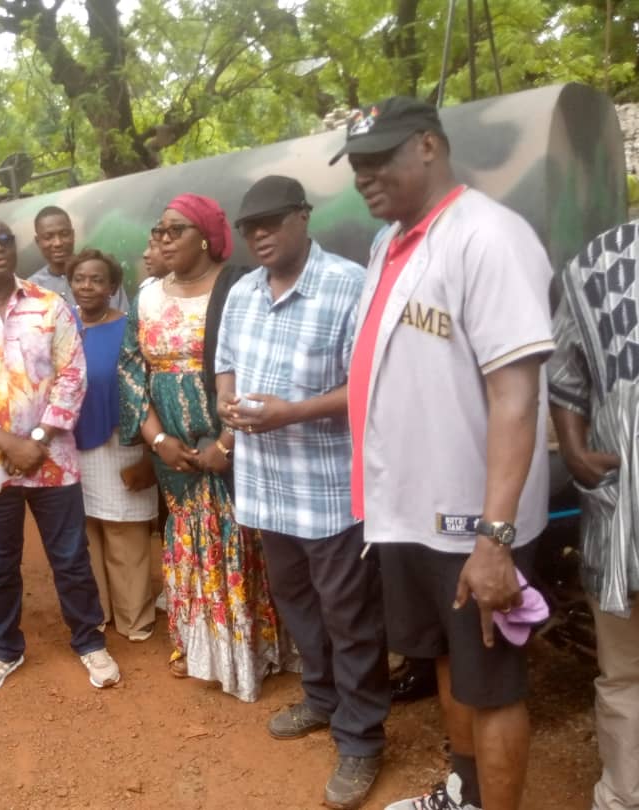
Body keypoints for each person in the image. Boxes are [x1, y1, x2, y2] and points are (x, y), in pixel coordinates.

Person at [333, 97, 554, 810]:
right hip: (406, 509)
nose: (364, 177)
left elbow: (516, 397)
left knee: (493, 685)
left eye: (379, 160)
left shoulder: (489, 235)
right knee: (446, 660)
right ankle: (463, 794)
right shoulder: (389, 243)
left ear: (428, 146)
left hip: (472, 518)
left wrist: (495, 538)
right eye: (357, 164)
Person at [215, 175, 386, 809]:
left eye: (271, 222)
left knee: (349, 615)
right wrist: (226, 404)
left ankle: (362, 738)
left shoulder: (348, 285)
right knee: (296, 601)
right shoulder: (242, 292)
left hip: (328, 490)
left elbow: (366, 386)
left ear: (303, 217)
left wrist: (292, 413)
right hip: (265, 486)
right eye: (249, 227)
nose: (259, 235)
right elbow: (225, 366)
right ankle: (322, 698)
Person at [0, 215, 121, 697]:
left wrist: (36, 438)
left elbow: (73, 376)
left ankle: (89, 640)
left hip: (52, 457)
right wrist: (9, 444)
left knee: (71, 558)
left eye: (4, 239)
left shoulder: (51, 306)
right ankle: (5, 648)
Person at [119, 193, 283, 703]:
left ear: (208, 237)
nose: (164, 240)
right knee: (189, 537)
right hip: (172, 451)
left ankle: (249, 650)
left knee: (241, 538)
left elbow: (259, 366)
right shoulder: (147, 297)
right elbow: (130, 372)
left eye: (177, 230)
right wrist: (158, 441)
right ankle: (202, 648)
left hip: (233, 440)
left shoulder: (240, 290)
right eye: (160, 231)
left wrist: (228, 442)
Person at [547, 219, 639, 810]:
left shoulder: (600, 259)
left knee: (625, 674)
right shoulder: (600, 260)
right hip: (623, 507)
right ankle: (624, 794)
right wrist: (575, 450)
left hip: (621, 508)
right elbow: (563, 373)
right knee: (625, 670)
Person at [68, 248, 158, 642]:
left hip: (120, 443)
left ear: (112, 287)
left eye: (97, 279)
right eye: (80, 279)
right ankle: (97, 613)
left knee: (125, 531)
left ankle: (134, 618)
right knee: (85, 532)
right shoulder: (63, 324)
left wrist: (151, 453)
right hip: (71, 445)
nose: (87, 286)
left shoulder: (128, 329)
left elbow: (147, 388)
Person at [30, 206, 130, 311]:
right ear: (38, 241)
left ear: (73, 235)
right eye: (48, 237)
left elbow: (123, 317)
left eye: (64, 234)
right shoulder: (32, 287)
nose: (58, 243)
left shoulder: (103, 273)